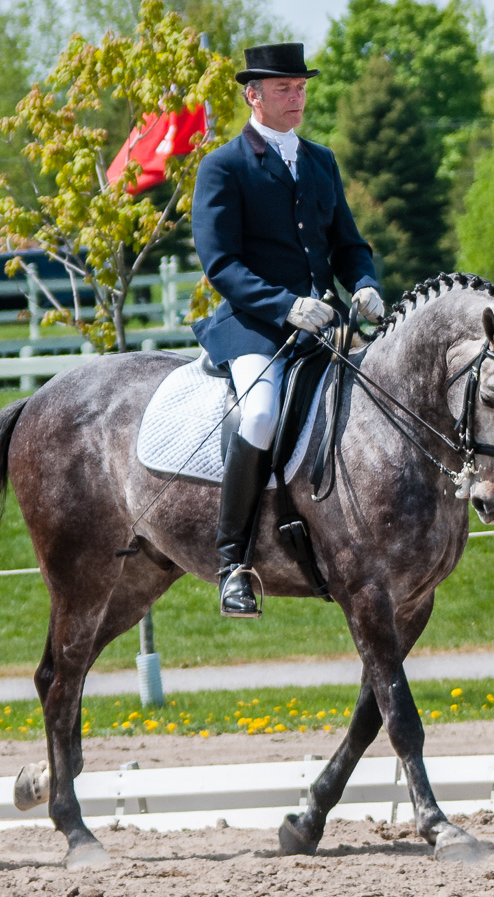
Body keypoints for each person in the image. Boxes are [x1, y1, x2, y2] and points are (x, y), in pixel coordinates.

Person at [191, 42, 384, 618]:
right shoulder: (224, 165)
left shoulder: (321, 160)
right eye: (284, 89)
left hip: (322, 326)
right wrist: (285, 306)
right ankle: (233, 563)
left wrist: (365, 282)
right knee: (259, 413)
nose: (296, 96)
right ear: (254, 95)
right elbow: (220, 264)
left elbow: (348, 244)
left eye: (300, 88)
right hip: (255, 328)